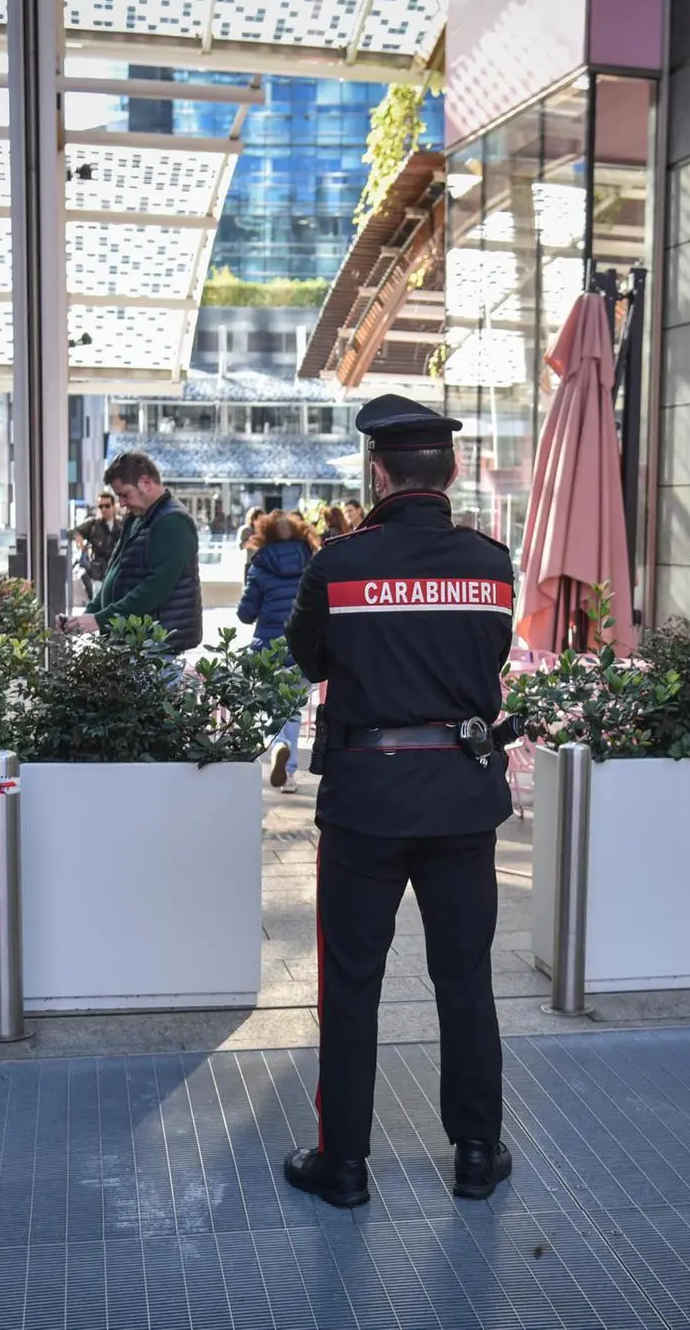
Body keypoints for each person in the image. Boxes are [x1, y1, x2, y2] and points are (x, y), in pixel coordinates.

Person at [279, 394, 518, 1209]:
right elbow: (488, 657)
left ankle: (343, 1162)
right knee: (465, 978)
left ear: (378, 473)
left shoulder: (338, 566)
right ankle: (476, 1153)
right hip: (461, 798)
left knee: (350, 983)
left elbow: (309, 658)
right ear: (451, 471)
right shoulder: (490, 564)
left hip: (366, 800)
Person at [65, 452, 202, 651]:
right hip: (134, 642)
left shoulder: (173, 521)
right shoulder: (137, 518)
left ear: (146, 483)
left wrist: (100, 619)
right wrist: (87, 616)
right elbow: (116, 574)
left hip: (156, 644)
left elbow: (155, 588)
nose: (121, 503)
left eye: (124, 494)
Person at [238, 511, 319, 793]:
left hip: (268, 647)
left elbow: (245, 614)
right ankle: (289, 772)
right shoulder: (311, 562)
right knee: (293, 709)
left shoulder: (260, 565)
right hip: (302, 646)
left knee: (273, 707)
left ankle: (280, 747)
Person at [72, 490, 121, 604]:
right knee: (99, 603)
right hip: (99, 573)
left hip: (117, 573)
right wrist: (78, 538)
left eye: (107, 506)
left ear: (113, 506)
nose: (103, 509)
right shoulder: (93, 524)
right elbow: (73, 531)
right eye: (100, 506)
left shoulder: (121, 524)